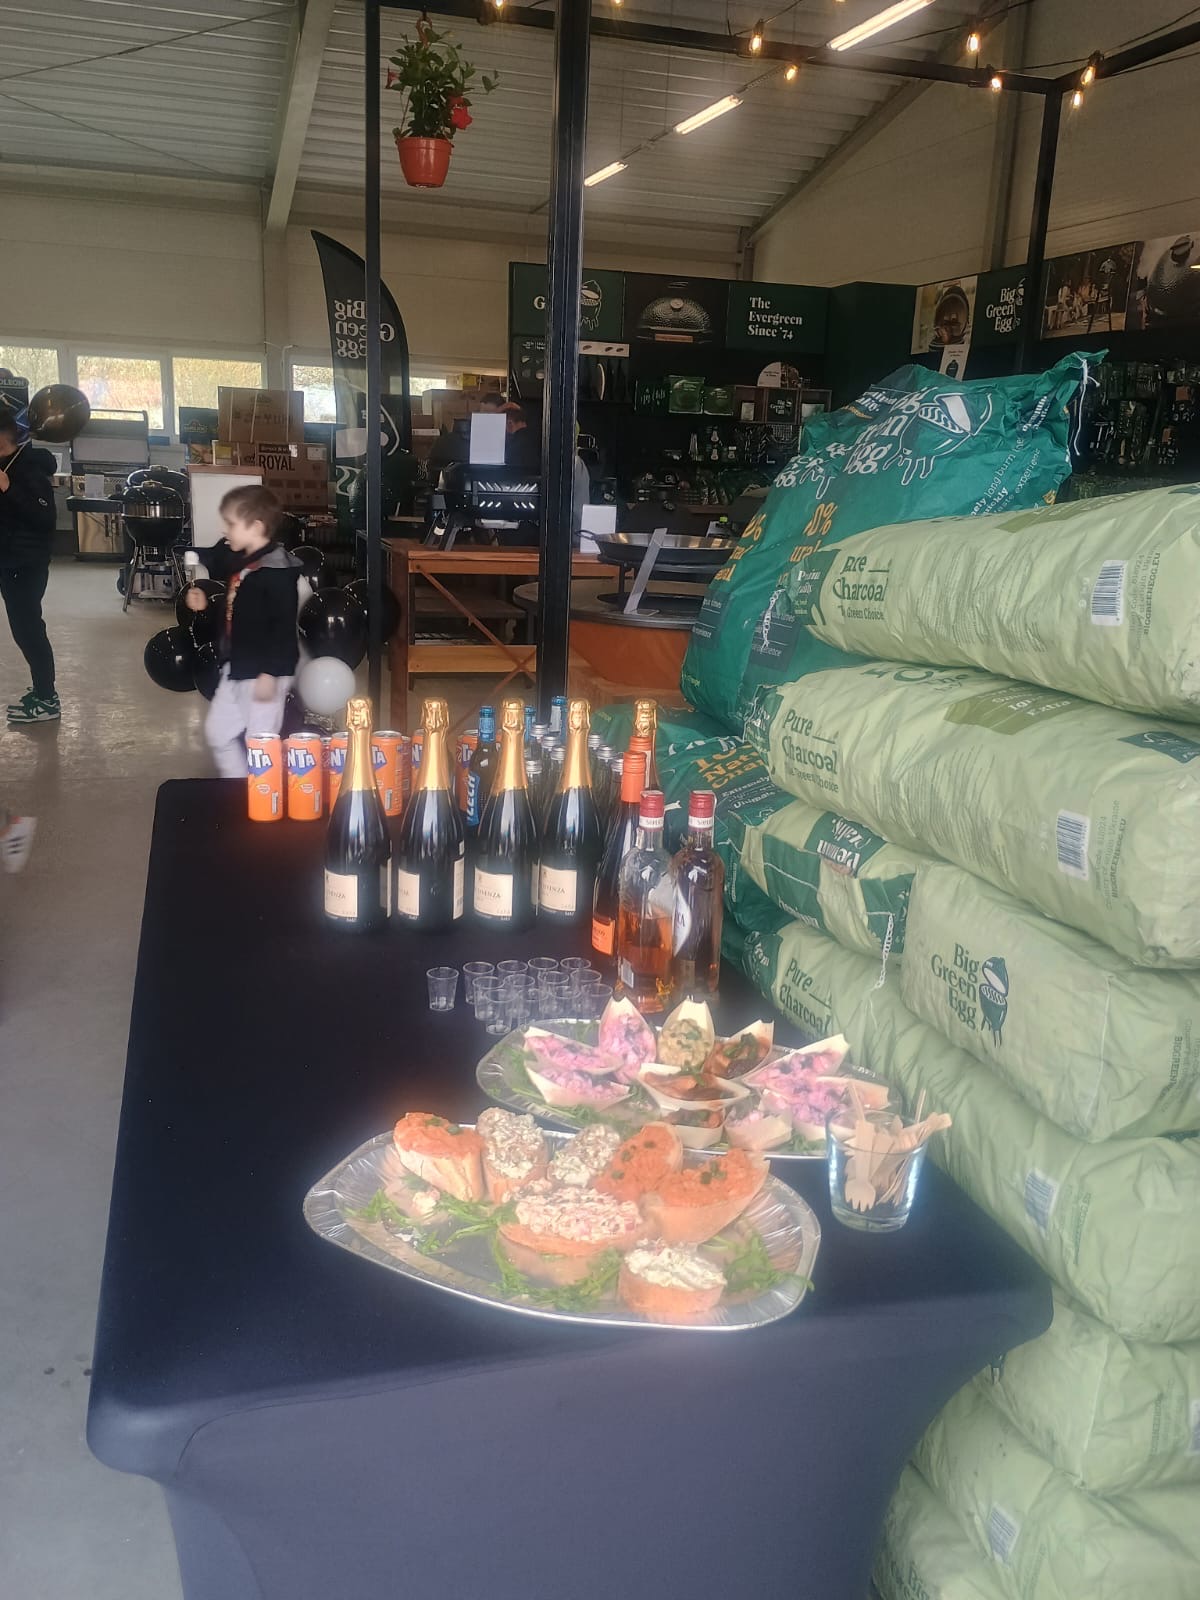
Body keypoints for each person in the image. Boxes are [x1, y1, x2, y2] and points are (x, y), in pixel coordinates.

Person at [186, 485, 302, 779]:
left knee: (260, 745)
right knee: (218, 734)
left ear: (256, 527)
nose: (224, 530)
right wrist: (204, 603)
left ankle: (264, 796)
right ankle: (240, 790)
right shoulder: (242, 560)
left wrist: (270, 673)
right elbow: (234, 606)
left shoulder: (277, 573)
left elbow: (283, 628)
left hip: (265, 672)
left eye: (231, 524)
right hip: (237, 666)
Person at [0, 409, 60, 724]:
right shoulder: (6, 464)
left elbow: (44, 518)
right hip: (8, 560)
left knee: (28, 630)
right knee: (23, 629)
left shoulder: (30, 469)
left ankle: (47, 699)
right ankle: (41, 690)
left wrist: (9, 489)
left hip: (26, 563)